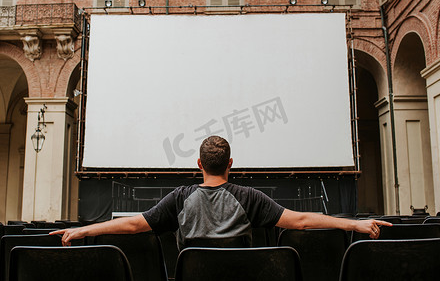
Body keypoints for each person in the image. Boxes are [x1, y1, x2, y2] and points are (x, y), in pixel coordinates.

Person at [51, 136, 391, 247]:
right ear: (231, 163)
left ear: (199, 163)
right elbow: (301, 221)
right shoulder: (248, 198)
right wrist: (356, 224)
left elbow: (130, 225)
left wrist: (83, 230)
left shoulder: (181, 198)